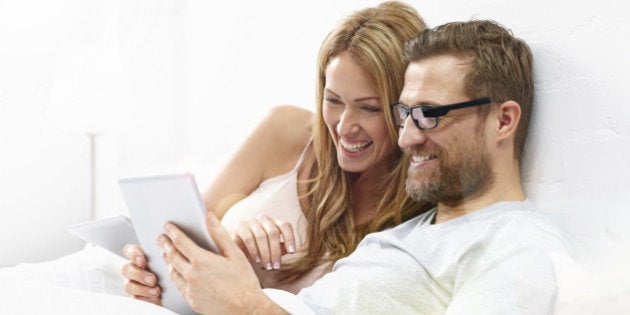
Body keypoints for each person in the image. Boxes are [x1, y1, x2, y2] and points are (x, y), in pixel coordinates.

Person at [157, 19, 573, 314]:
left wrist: (244, 307)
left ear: (503, 121)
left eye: (430, 113)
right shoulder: (412, 231)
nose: (407, 138)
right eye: (403, 114)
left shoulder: (516, 245)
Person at [121, 0, 430, 305]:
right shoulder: (285, 130)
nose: (344, 126)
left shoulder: (421, 209)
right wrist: (147, 273)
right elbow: (180, 238)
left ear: (407, 108)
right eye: (333, 100)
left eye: (369, 108)